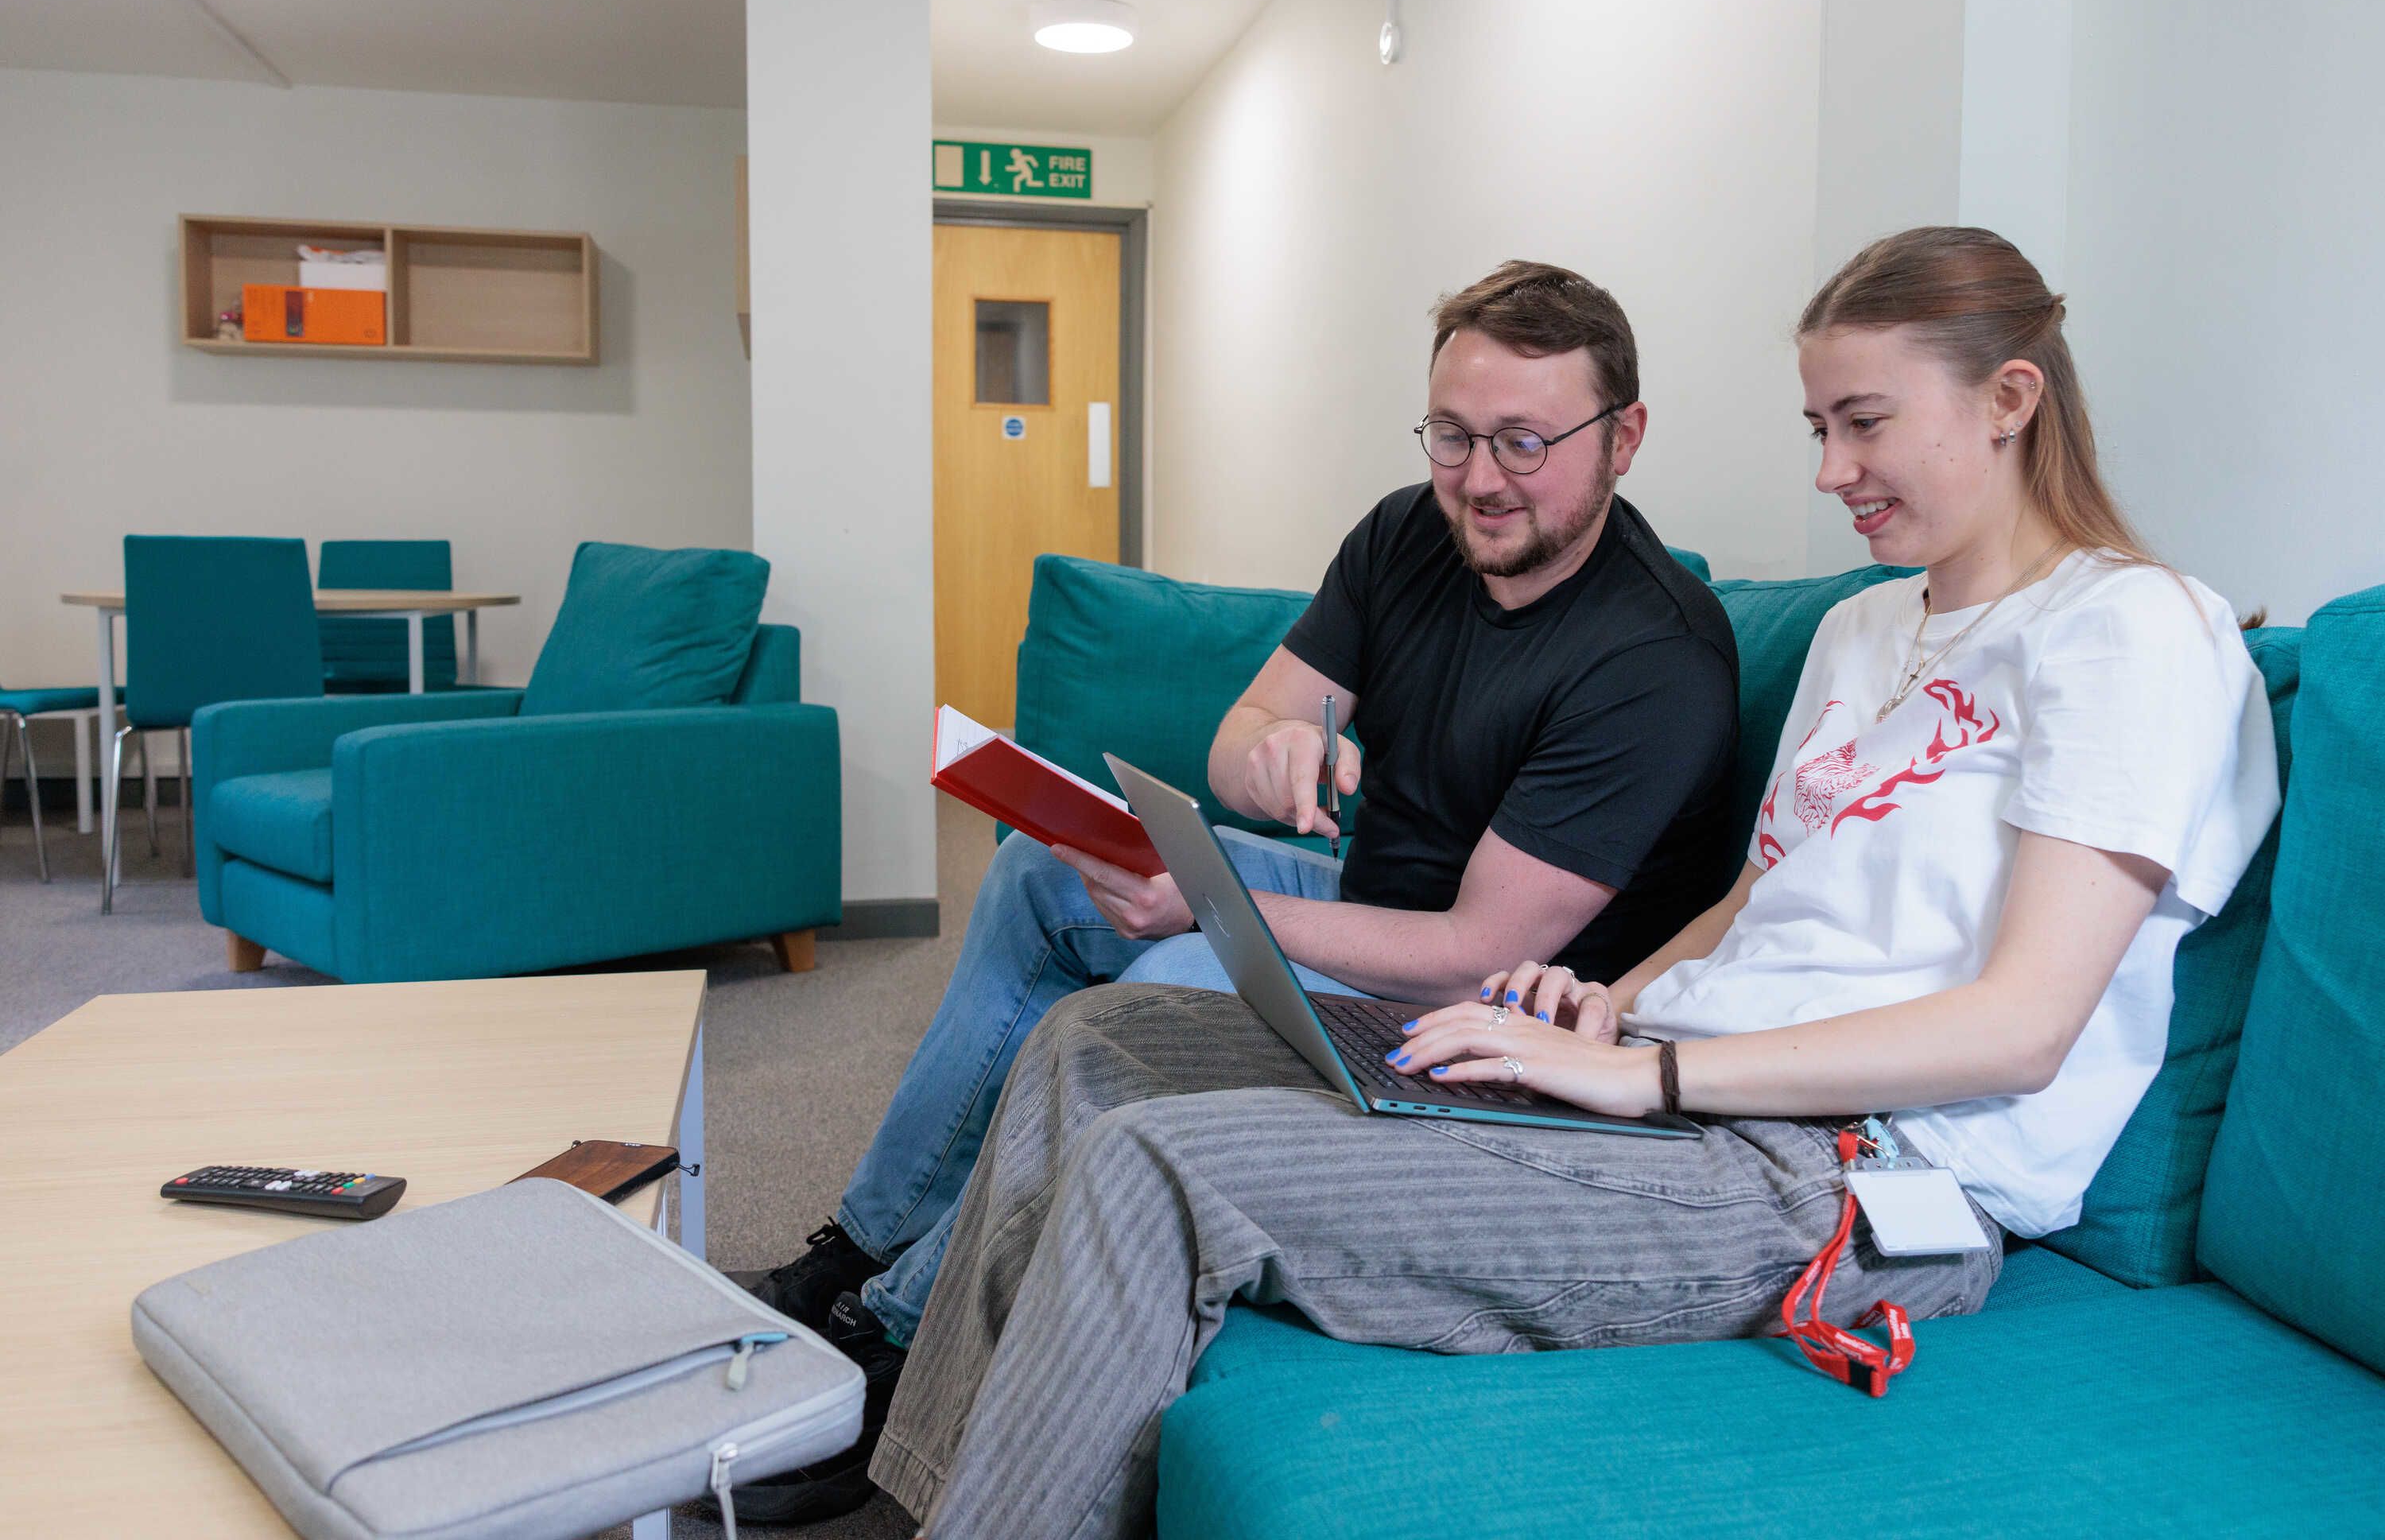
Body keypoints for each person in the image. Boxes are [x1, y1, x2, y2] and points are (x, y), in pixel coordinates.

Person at [864, 227, 2282, 1540]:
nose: (1831, 469)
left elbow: (2021, 1029)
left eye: (1865, 424)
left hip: (1862, 1180)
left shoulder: (2131, 632)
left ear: (2010, 398)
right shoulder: (1864, 630)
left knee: (1162, 1168)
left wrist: (1646, 1080)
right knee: (1096, 1037)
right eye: (1820, 428)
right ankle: (925, 1493)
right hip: (1673, 1081)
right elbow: (1761, 897)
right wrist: (1602, 1006)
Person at [729, 262, 1742, 1522]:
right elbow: (1243, 725)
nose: (1480, 480)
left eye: (1525, 442)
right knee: (1047, 870)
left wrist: (1211, 912)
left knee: (1159, 982)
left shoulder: (1655, 655)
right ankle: (862, 1242)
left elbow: (1467, 947)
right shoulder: (1405, 535)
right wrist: (1265, 749)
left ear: (1623, 437)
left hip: (1492, 1005)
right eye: (1452, 435)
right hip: (1363, 904)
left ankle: (896, 1341)